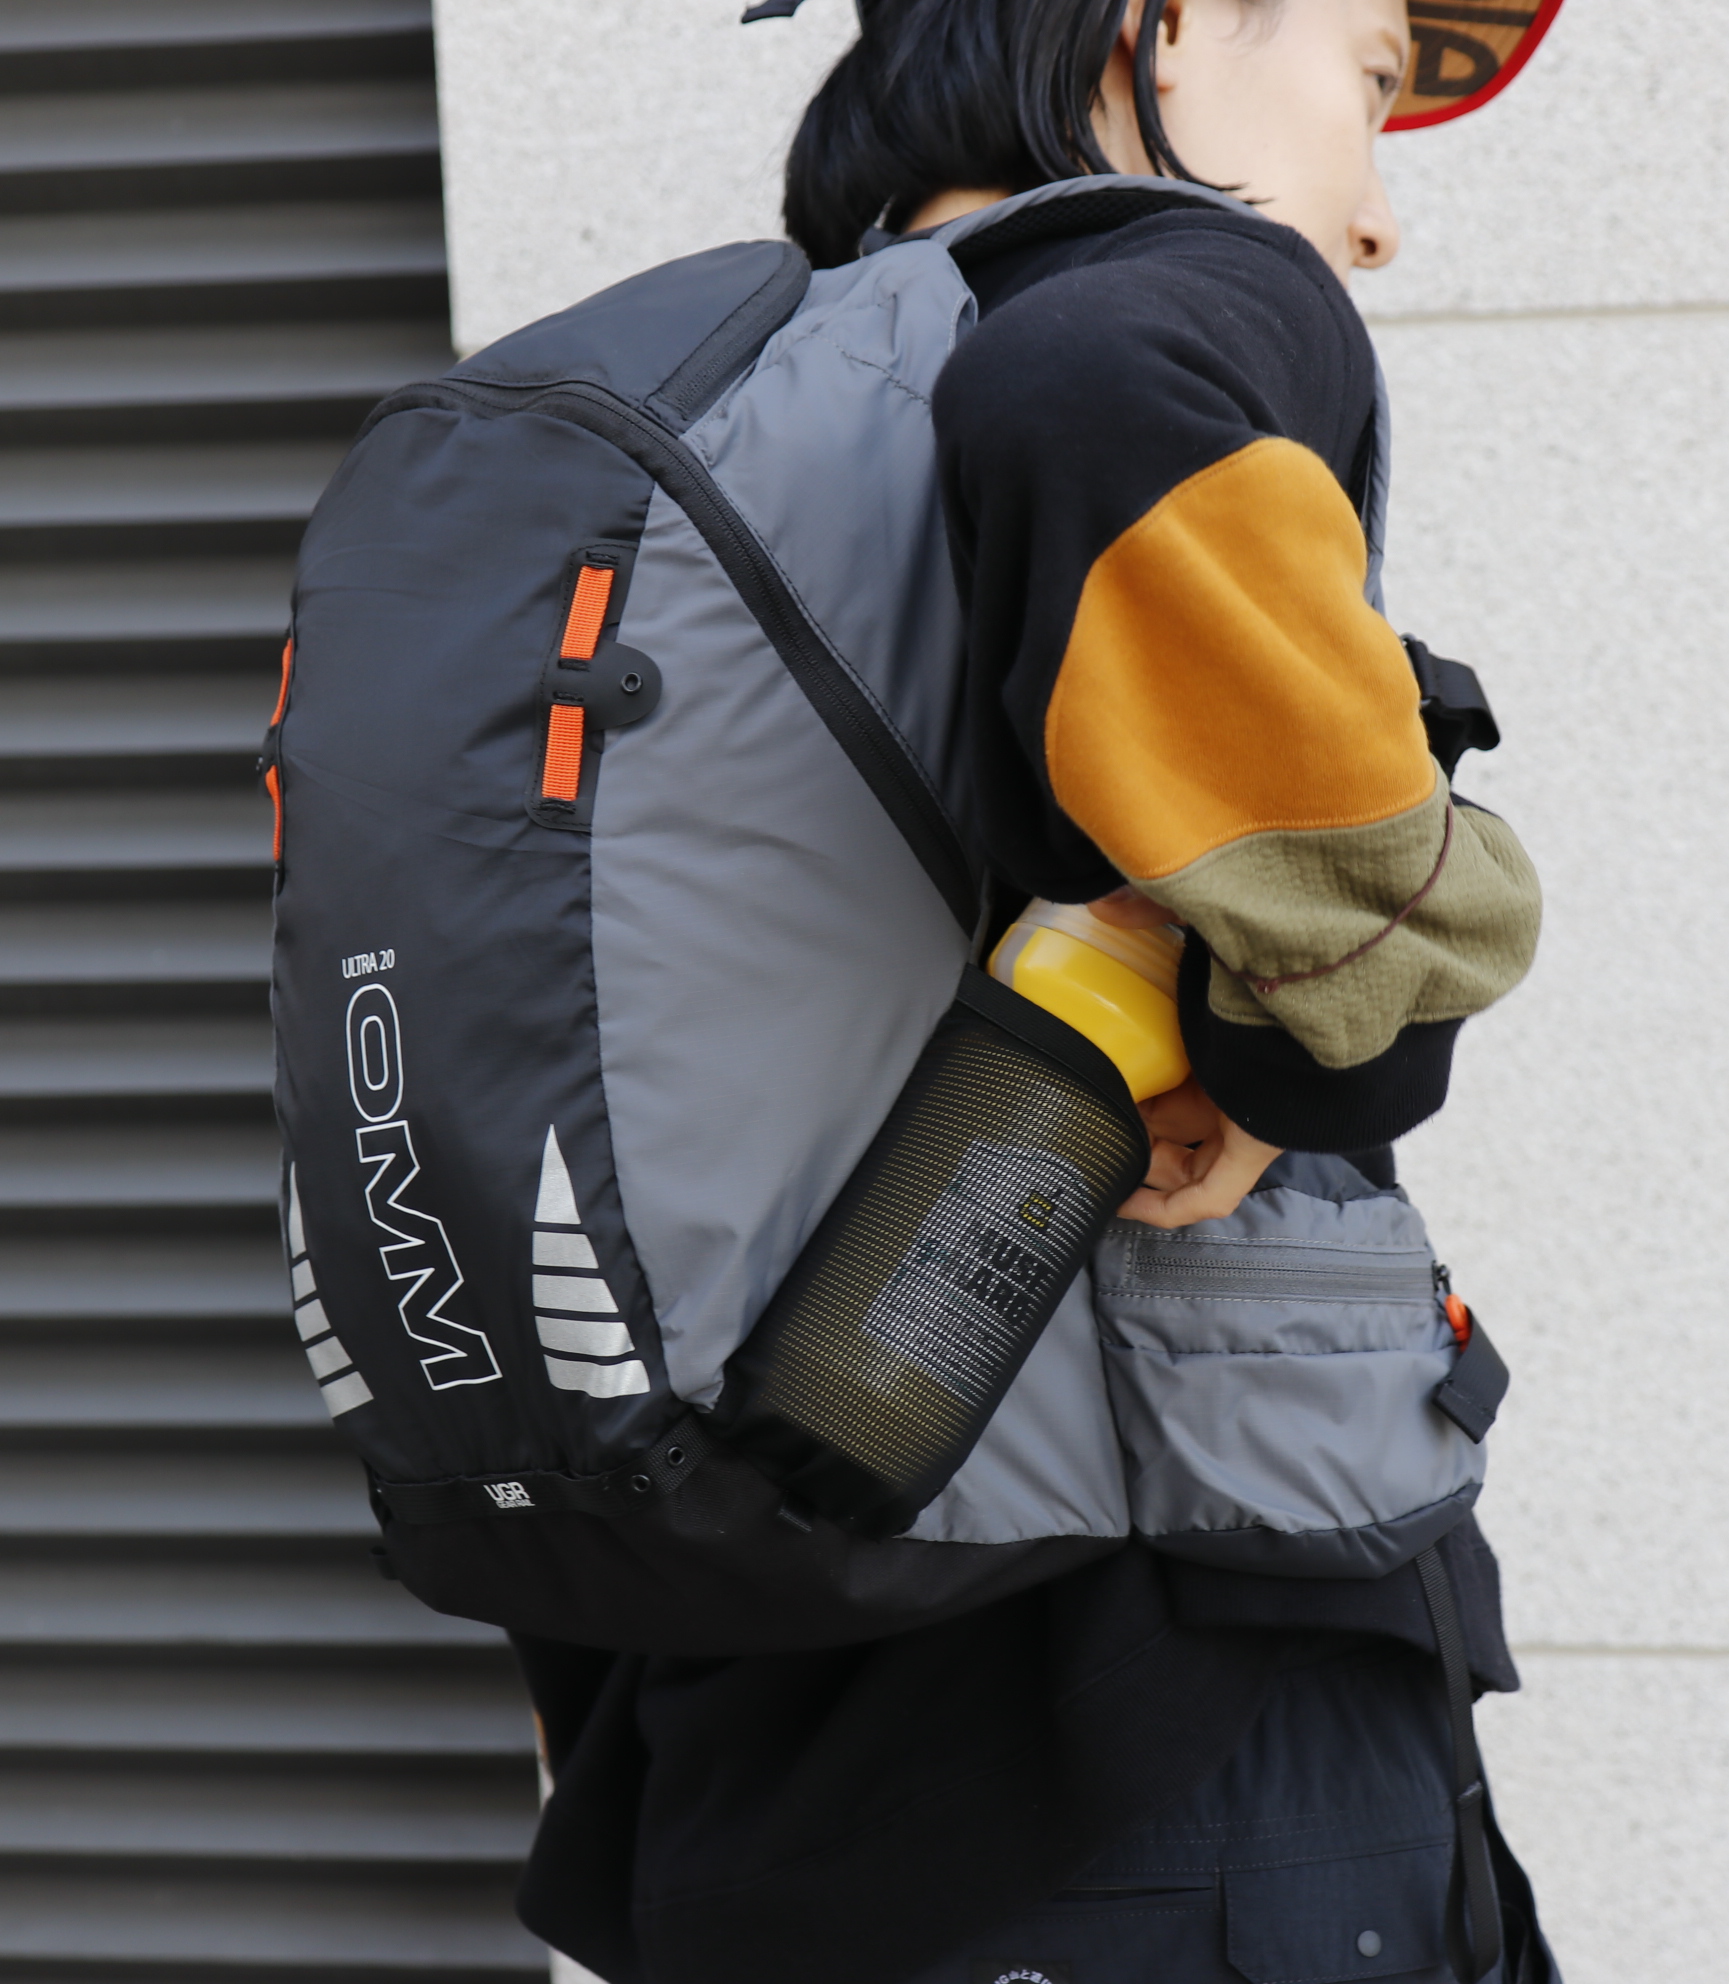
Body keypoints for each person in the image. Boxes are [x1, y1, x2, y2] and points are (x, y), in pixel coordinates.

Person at [515, 4, 1556, 1980]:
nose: (1375, 216)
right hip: (1154, 1706)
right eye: (1365, 77)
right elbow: (1096, 387)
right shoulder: (1151, 293)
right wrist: (1324, 1002)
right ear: (1162, 25)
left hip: (739, 1722)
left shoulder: (722, 401)